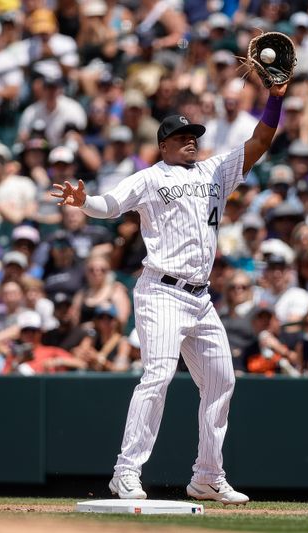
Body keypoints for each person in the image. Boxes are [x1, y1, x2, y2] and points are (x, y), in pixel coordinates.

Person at [52, 80, 293, 505]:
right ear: (163, 145)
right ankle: (125, 472)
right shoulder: (149, 178)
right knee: (158, 376)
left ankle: (207, 475)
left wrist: (275, 100)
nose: (190, 143)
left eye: (194, 137)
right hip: (161, 290)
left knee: (222, 381)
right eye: (182, 138)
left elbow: (261, 140)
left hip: (200, 297)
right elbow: (110, 205)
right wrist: (83, 202)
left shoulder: (215, 171)